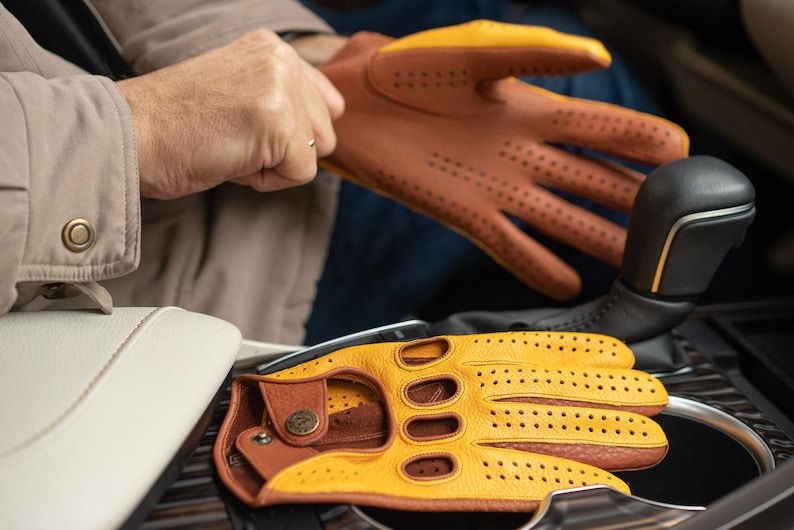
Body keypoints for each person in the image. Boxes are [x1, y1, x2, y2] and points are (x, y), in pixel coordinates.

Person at [0, 0, 678, 346]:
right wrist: (141, 128)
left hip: (94, 121)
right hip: (113, 289)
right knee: (588, 95)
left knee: (517, 40)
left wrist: (304, 61)